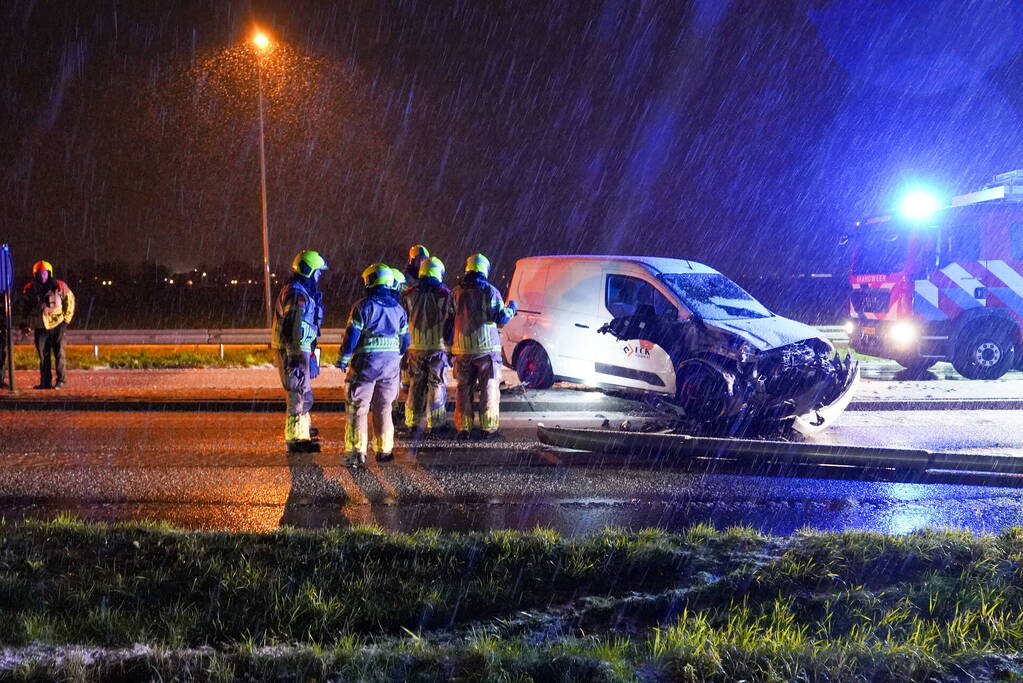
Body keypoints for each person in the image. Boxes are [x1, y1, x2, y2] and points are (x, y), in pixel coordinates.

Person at [337, 263, 409, 466]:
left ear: (372, 281)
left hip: (366, 365)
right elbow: (405, 341)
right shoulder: (398, 309)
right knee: (384, 407)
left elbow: (352, 335)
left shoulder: (363, 306)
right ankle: (384, 451)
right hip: (391, 365)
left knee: (358, 407)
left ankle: (356, 453)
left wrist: (343, 358)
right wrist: (396, 356)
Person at [448, 253, 516, 439]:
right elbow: (501, 318)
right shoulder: (490, 291)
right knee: (489, 388)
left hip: (462, 350)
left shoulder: (455, 292)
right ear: (484, 270)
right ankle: (488, 428)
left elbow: (449, 318)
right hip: (487, 351)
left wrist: (449, 346)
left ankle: (463, 428)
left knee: (464, 389)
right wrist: (512, 307)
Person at [271, 250, 329, 453]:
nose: (319, 276)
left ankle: (302, 431)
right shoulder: (297, 293)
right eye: (317, 272)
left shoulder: (302, 291)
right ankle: (296, 438)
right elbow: (293, 325)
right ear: (308, 270)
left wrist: (311, 354)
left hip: (300, 349)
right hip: (293, 350)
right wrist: (296, 354)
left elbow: (307, 326)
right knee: (297, 392)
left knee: (303, 392)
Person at [401, 256, 452, 436]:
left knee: (416, 384)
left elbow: (403, 320)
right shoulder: (445, 293)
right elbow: (449, 322)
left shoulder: (408, 293)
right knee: (436, 385)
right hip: (436, 347)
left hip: (414, 347)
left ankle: (412, 423)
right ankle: (435, 424)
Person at [19, 260, 75, 390]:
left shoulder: (59, 286)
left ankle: (61, 381)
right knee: (44, 357)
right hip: (40, 327)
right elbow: (24, 308)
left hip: (58, 325)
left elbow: (70, 300)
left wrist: (66, 320)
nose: (42, 276)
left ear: (49, 273)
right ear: (35, 275)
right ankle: (45, 382)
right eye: (39, 273)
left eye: (44, 273)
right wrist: (25, 324)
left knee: (59, 354)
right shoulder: (29, 289)